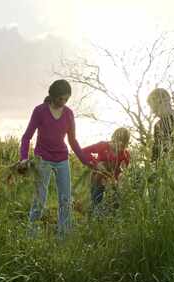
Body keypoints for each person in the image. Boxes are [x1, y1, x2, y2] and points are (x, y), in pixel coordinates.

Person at [18, 79, 92, 237]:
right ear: (52, 96)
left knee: (65, 199)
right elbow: (26, 137)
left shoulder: (69, 114)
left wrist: (87, 161)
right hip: (42, 159)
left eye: (66, 99)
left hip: (62, 160)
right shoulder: (39, 111)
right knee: (40, 199)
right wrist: (23, 158)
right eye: (60, 99)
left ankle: (63, 235)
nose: (63, 102)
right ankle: (30, 235)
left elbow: (73, 141)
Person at [82, 128, 130, 216]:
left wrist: (120, 178)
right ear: (114, 139)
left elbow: (124, 172)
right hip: (98, 178)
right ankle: (92, 218)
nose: (120, 146)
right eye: (119, 142)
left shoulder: (125, 155)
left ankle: (108, 220)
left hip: (113, 183)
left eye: (123, 144)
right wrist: (96, 163)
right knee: (96, 202)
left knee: (115, 205)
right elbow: (83, 151)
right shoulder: (103, 145)